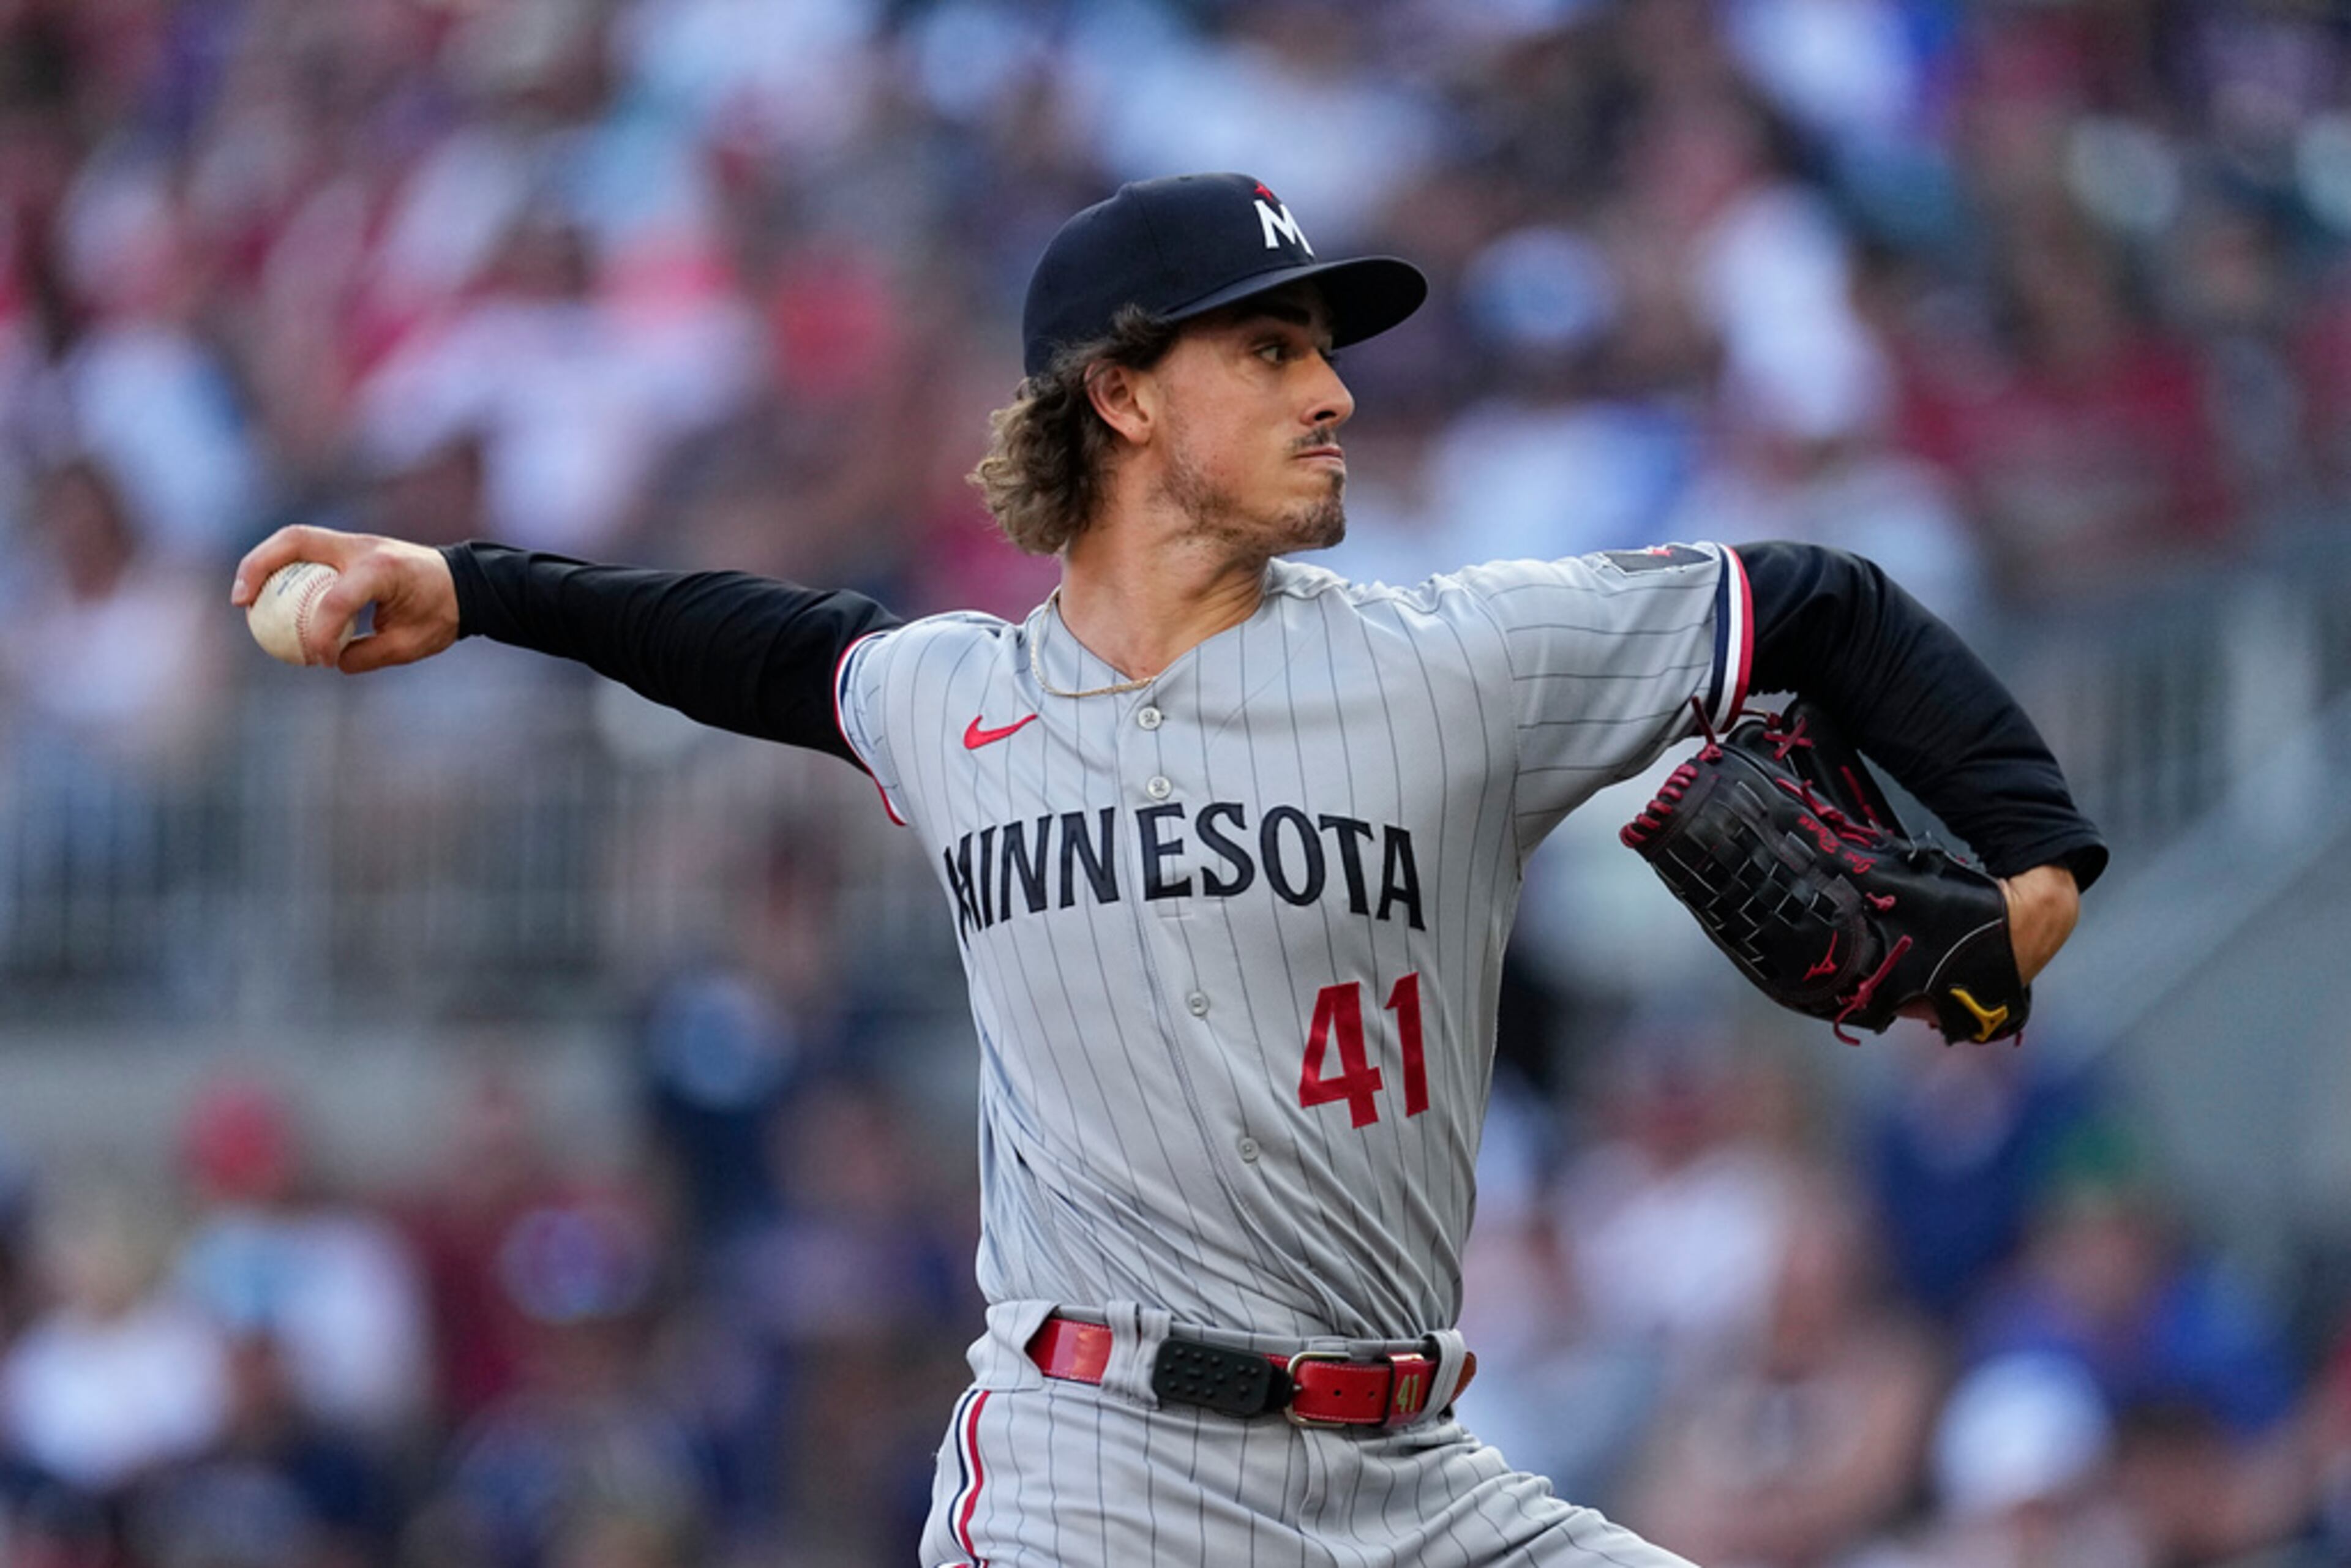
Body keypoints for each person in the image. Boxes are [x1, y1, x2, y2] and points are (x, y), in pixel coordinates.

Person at [231, 173, 2105, 1567]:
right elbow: (738, 636)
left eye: (1327, 349)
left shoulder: (1454, 660)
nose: (1335, 391)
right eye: (1272, 346)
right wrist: (474, 587)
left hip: (1420, 1476)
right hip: (1091, 1471)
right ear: (1121, 398)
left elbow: (1825, 608)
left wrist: (2033, 878)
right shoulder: (953, 697)